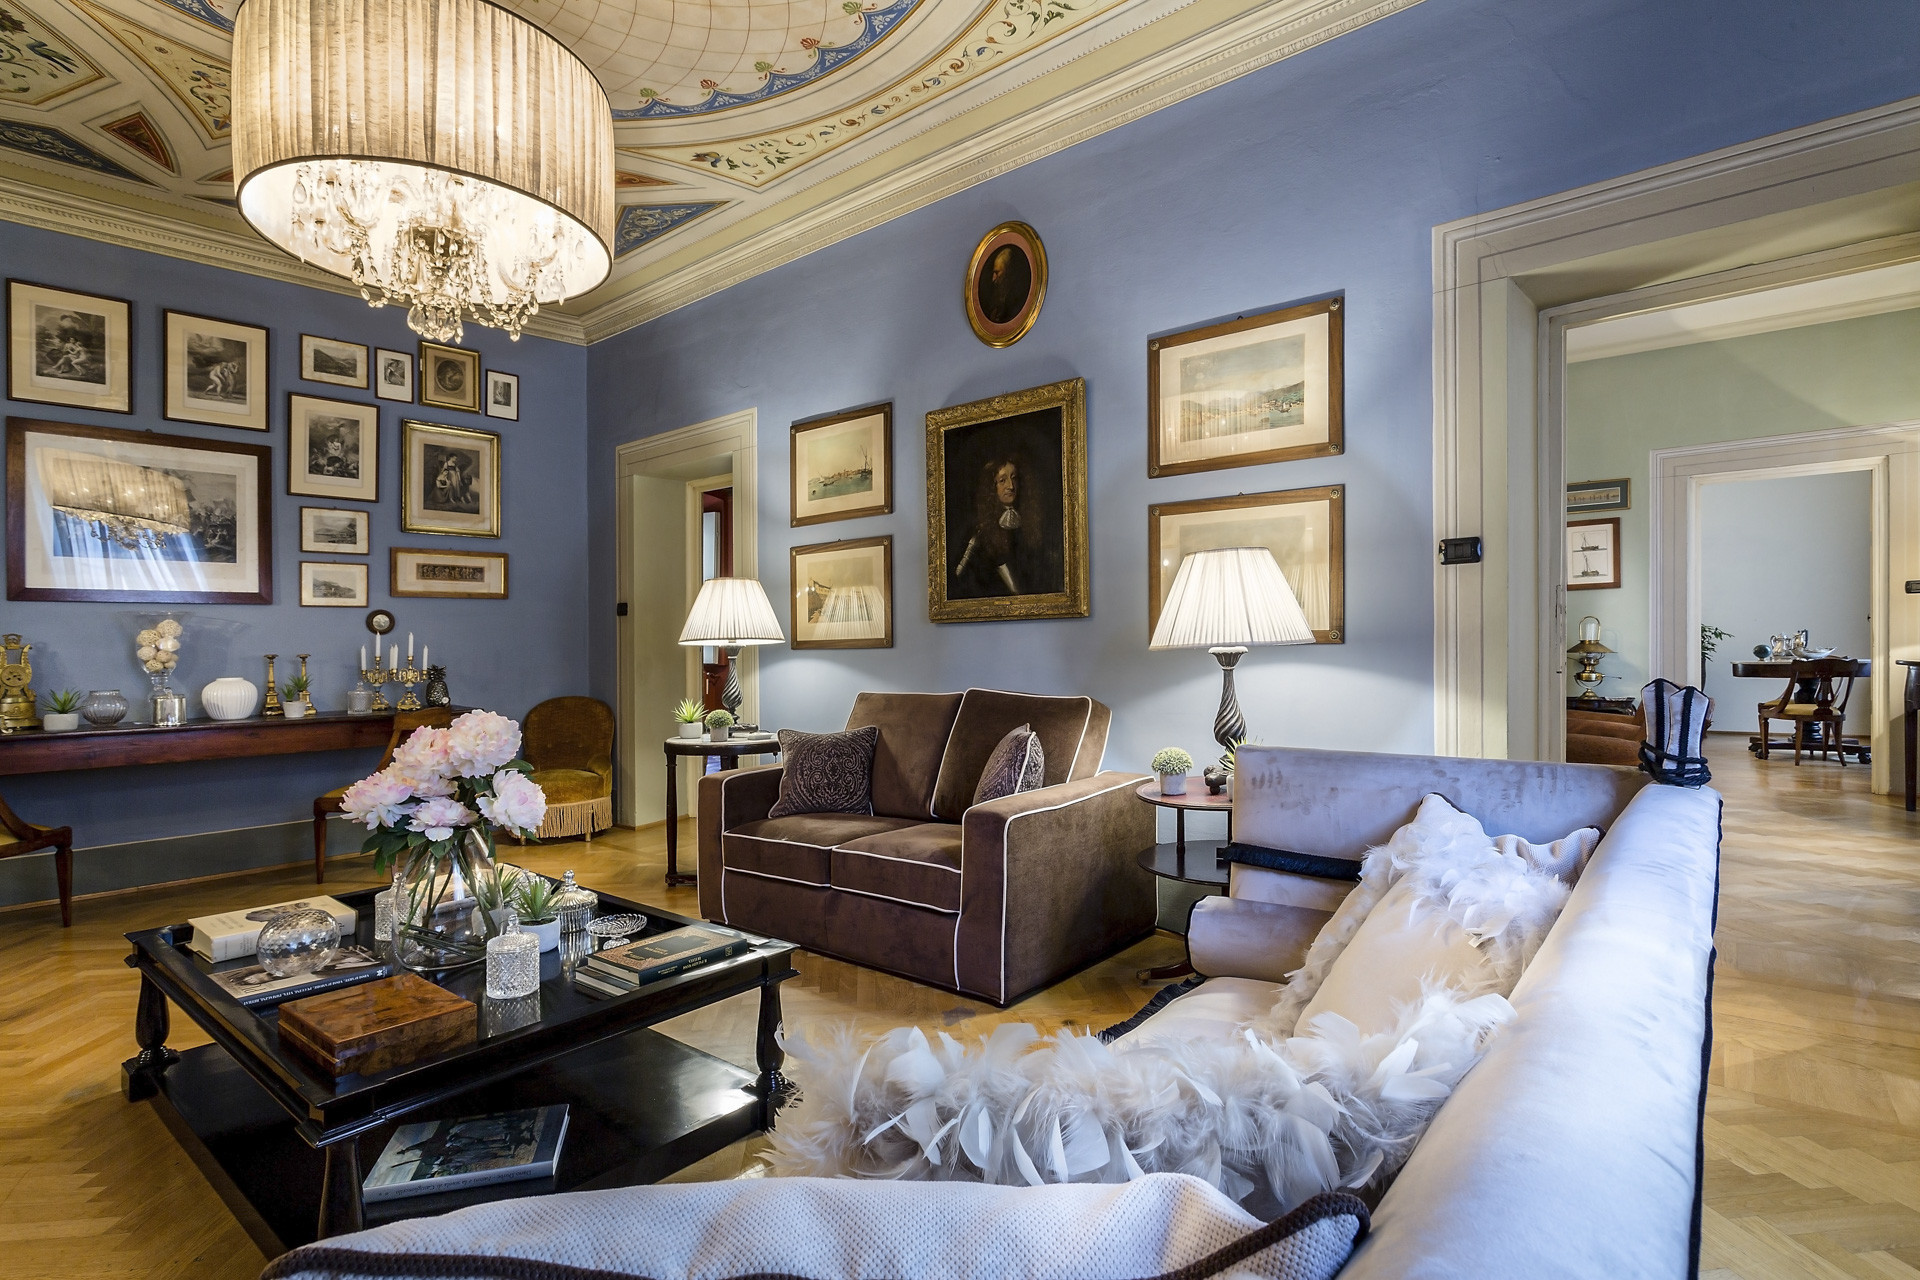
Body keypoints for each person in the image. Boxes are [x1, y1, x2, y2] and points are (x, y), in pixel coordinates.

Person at [951, 455, 1057, 597]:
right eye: (1002, 480)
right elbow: (962, 575)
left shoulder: (1030, 523)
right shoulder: (980, 530)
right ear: (991, 487)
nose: (1011, 486)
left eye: (1014, 478)